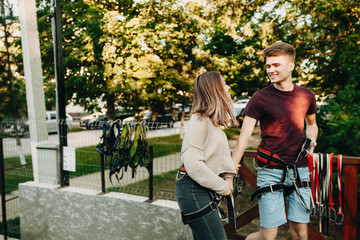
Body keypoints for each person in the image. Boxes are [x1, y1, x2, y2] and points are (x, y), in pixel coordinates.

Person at [232, 42, 318, 240]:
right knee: (267, 236)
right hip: (270, 171)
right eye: (268, 66)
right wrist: (231, 172)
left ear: (291, 66)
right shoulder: (259, 98)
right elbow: (243, 137)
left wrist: (311, 140)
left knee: (300, 233)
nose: (271, 70)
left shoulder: (307, 95)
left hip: (299, 170)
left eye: (276, 65)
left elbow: (312, 124)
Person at [176, 71, 238, 240]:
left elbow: (213, 157)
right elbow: (193, 164)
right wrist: (223, 186)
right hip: (194, 191)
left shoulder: (210, 122)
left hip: (201, 190)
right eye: (224, 83)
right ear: (215, 89)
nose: (228, 87)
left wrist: (228, 174)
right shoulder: (200, 120)